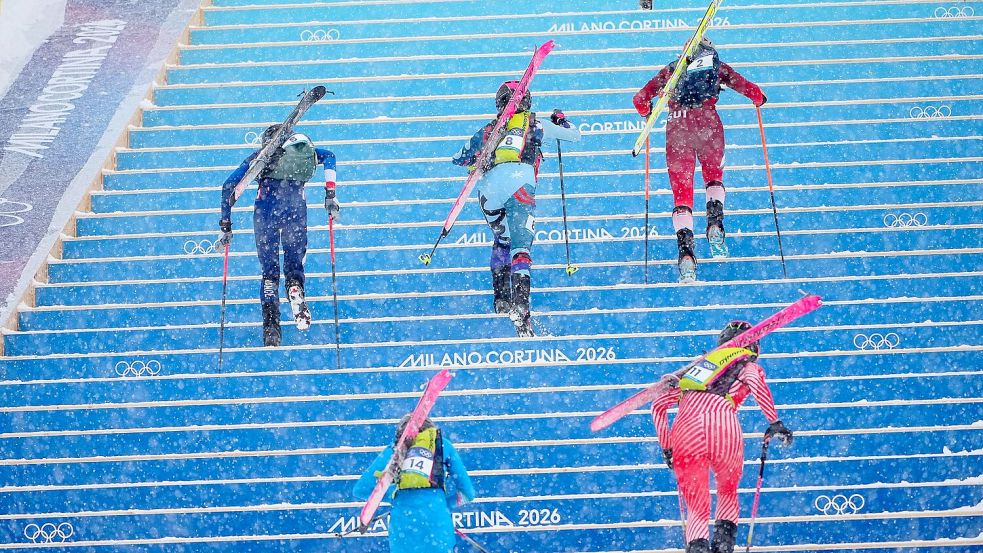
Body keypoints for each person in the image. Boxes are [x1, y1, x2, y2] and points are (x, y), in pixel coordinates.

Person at [650, 321, 793, 553]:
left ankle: (698, 549)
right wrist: (775, 422)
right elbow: (756, 383)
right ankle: (723, 548)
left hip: (686, 430)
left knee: (696, 507)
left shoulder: (694, 374)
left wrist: (668, 449)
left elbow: (657, 406)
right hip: (723, 424)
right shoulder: (746, 364)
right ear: (753, 347)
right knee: (727, 493)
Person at [452, 81, 581, 336]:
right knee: (521, 247)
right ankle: (520, 306)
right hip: (519, 183)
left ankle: (501, 298)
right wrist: (561, 120)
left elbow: (460, 157)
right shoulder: (537, 123)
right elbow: (575, 134)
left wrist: (477, 160)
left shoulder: (490, 129)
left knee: (503, 239)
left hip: (488, 191)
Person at [632, 38, 766, 283]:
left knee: (682, 193)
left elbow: (639, 99)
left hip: (678, 127)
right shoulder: (717, 67)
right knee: (713, 177)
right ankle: (715, 222)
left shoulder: (671, 70)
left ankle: (686, 252)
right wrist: (759, 98)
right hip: (709, 123)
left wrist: (647, 111)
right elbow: (749, 88)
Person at [217, 125, 339, 347]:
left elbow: (228, 186)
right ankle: (295, 287)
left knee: (269, 273)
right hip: (295, 211)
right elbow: (330, 156)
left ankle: (271, 329)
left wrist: (226, 223)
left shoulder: (259, 157)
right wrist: (330, 194)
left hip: (265, 214)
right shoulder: (301, 155)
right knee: (294, 265)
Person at [354, 416, 476, 553]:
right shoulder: (442, 445)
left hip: (403, 530)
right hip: (438, 526)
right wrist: (442, 505)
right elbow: (467, 494)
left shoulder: (394, 449)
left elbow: (361, 489)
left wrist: (397, 497)